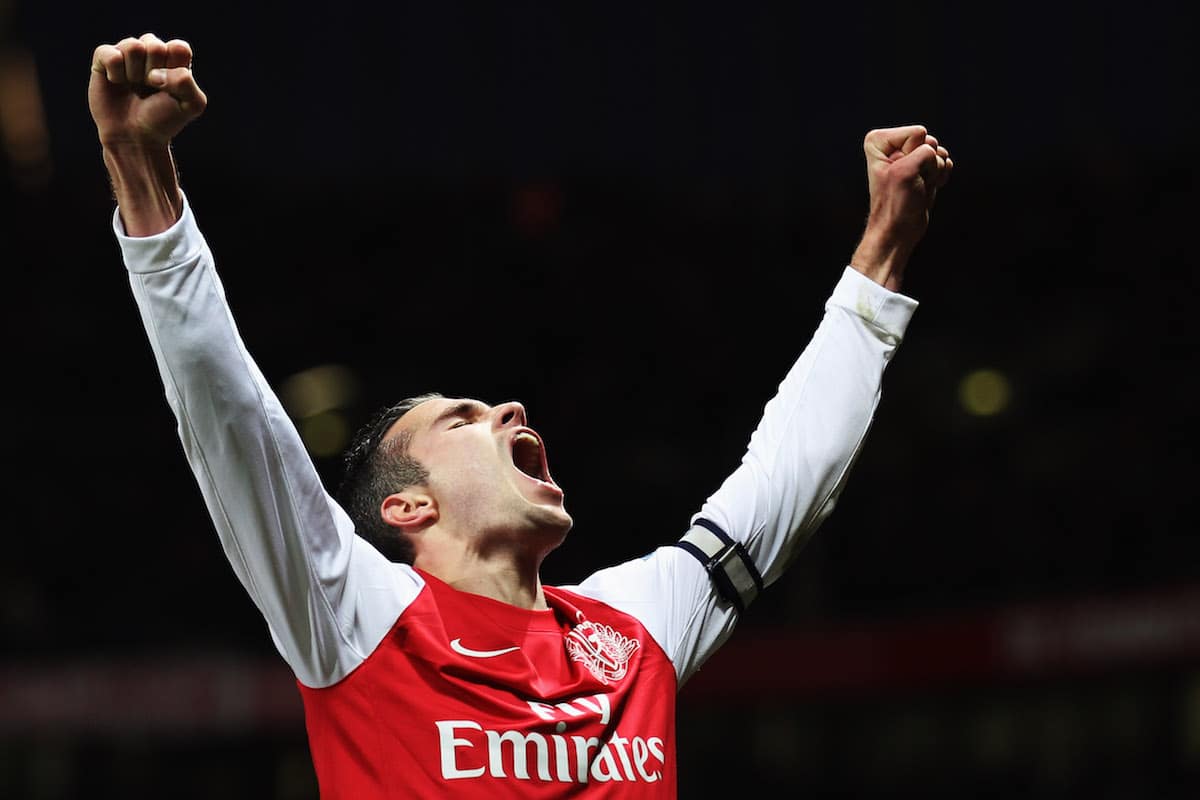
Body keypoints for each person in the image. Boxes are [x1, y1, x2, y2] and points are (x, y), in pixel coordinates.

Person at [89, 31, 953, 799]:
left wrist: (883, 251)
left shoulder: (634, 628)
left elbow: (787, 476)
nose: (507, 409)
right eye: (460, 420)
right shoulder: (355, 615)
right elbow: (229, 414)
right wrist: (138, 163)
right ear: (407, 505)